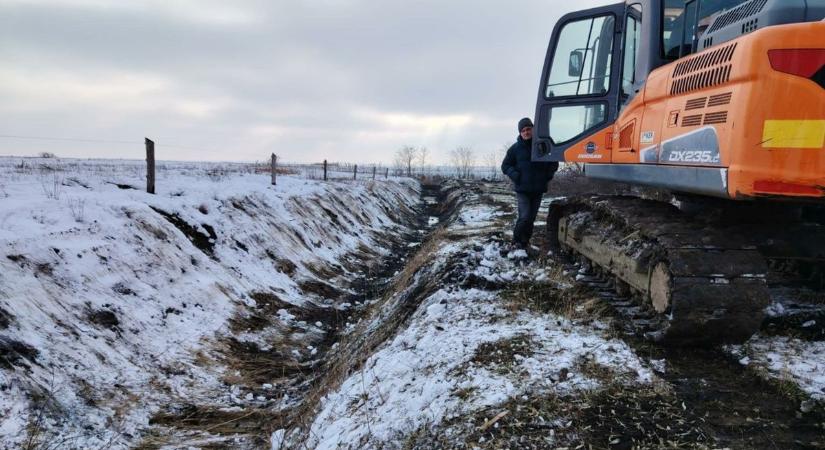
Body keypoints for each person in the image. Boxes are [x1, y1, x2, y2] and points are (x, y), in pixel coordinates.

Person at [501, 117, 558, 250]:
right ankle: (516, 241)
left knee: (531, 219)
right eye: (523, 130)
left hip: (538, 189)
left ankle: (524, 242)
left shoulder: (543, 146)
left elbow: (554, 163)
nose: (526, 132)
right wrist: (515, 175)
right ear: (520, 133)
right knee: (524, 217)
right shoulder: (515, 149)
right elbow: (505, 166)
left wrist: (547, 177)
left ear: (533, 129)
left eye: (528, 129)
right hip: (523, 189)